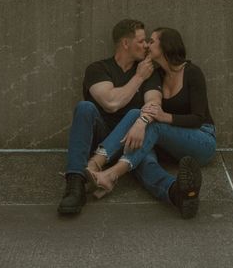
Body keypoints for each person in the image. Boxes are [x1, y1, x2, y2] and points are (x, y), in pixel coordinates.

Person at [87, 27, 216, 219]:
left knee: (150, 124)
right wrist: (141, 121)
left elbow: (198, 117)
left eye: (152, 41)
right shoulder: (159, 75)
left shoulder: (192, 72)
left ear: (165, 46)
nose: (147, 44)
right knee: (138, 132)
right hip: (171, 145)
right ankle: (176, 193)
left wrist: (164, 118)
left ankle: (109, 174)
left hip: (202, 140)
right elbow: (149, 109)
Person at [58, 17, 161, 215]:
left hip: (131, 140)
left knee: (149, 164)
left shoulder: (149, 72)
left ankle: (178, 192)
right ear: (125, 43)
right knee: (85, 107)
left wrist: (141, 122)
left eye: (147, 41)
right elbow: (111, 103)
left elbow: (154, 104)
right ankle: (74, 184)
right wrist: (138, 78)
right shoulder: (98, 69)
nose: (147, 45)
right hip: (101, 137)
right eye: (141, 41)